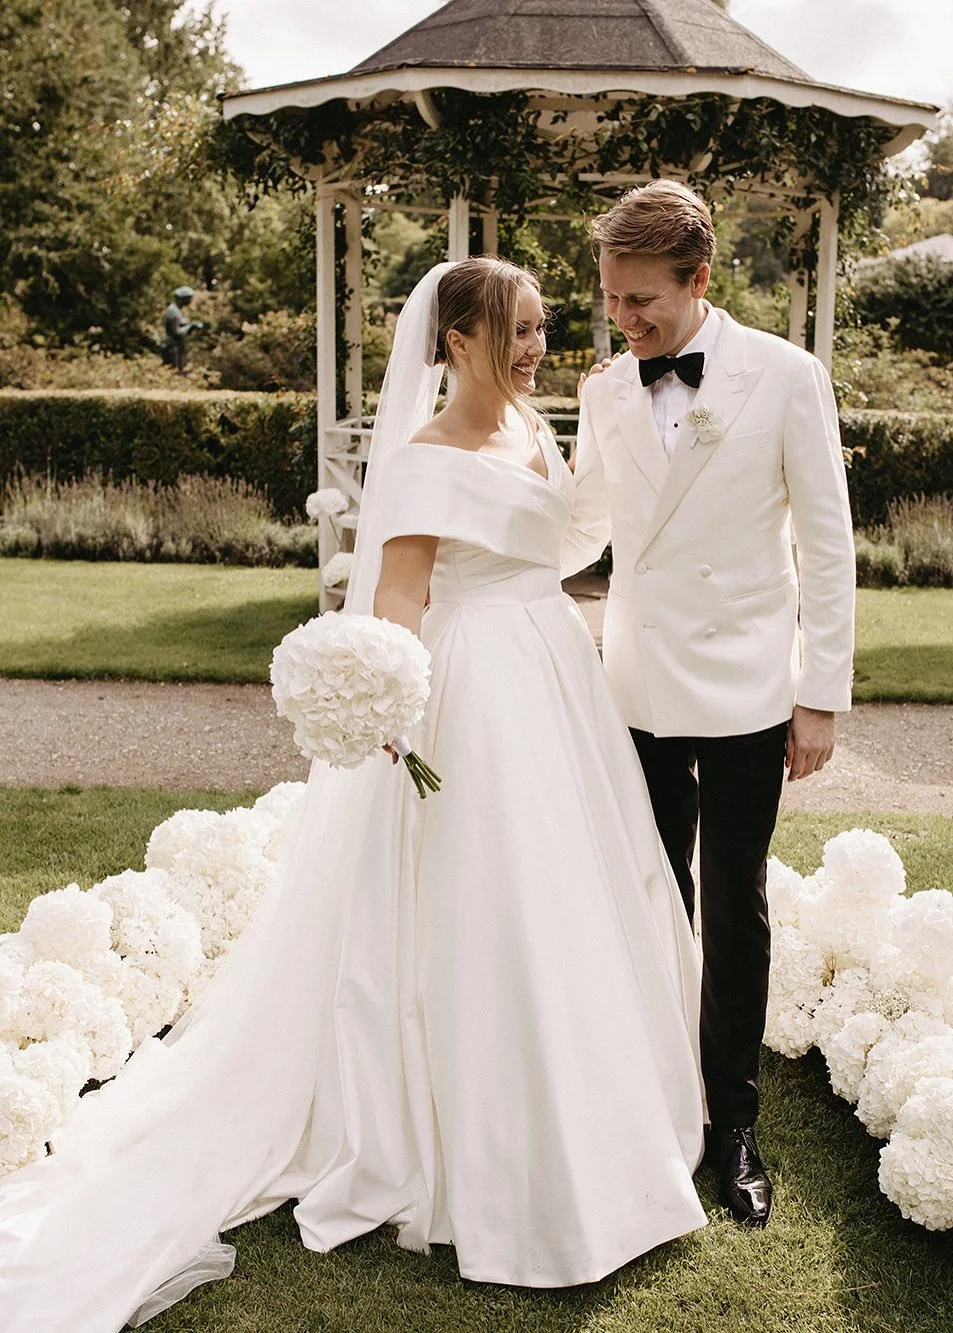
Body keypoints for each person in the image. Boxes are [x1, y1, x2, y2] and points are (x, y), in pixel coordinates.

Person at [0, 258, 707, 1332]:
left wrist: (605, 461)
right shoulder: (420, 460)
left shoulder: (532, 427)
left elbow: (559, 542)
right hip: (474, 689)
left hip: (556, 671)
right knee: (489, 895)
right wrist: (389, 710)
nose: (533, 347)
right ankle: (472, 1141)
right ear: (456, 340)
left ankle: (601, 1104)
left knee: (574, 892)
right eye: (514, 330)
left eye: (538, 327)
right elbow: (399, 596)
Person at [563, 180, 856, 1230]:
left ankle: (731, 1122)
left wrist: (817, 697)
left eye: (641, 301)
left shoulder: (785, 376)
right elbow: (580, 519)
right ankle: (648, 1098)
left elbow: (825, 548)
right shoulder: (603, 389)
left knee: (733, 903)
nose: (623, 320)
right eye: (611, 299)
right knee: (644, 890)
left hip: (745, 689)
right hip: (630, 683)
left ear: (698, 280)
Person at [162, 286, 203, 374]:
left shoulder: (179, 310)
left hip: (179, 347)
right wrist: (190, 326)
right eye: (189, 298)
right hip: (173, 348)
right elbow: (176, 332)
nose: (190, 301)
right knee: (174, 373)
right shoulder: (173, 311)